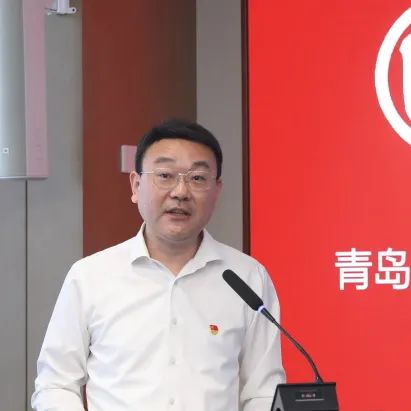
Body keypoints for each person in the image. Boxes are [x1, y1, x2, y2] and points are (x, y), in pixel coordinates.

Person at [32, 119, 285, 411]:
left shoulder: (248, 278)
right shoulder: (90, 276)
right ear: (136, 185)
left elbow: (262, 393)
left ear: (216, 191)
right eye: (165, 175)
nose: (180, 192)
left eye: (197, 178)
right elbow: (56, 384)